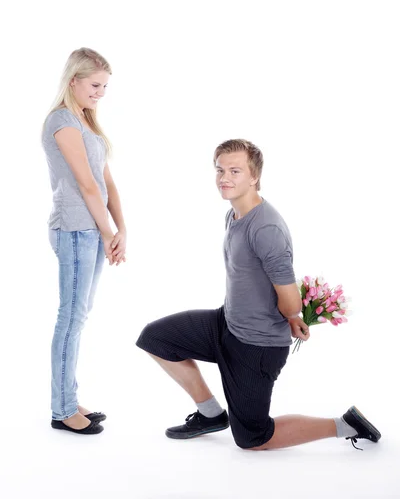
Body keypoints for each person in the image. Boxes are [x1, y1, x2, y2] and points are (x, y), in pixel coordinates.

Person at [136, 139, 380, 451]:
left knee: (252, 438)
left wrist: (293, 318)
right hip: (226, 324)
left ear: (254, 177)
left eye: (235, 171)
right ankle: (211, 415)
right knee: (156, 338)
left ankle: (345, 424)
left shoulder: (266, 228)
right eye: (220, 170)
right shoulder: (235, 214)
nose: (224, 177)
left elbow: (289, 298)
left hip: (256, 347)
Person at [42, 48, 127, 435]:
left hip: (92, 229)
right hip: (76, 228)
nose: (100, 93)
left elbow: (107, 182)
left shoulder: (87, 123)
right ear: (73, 80)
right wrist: (108, 233)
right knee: (71, 317)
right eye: (95, 85)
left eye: (105, 86)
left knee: (79, 317)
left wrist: (121, 228)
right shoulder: (62, 121)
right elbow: (86, 184)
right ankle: (62, 410)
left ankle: (68, 398)